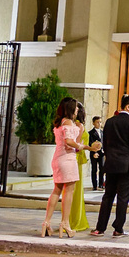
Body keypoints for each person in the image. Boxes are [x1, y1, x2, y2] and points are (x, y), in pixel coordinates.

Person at [91, 95, 129, 238]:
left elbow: (106, 143)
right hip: (127, 166)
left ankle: (100, 228)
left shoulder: (110, 122)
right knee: (123, 199)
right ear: (127, 107)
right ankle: (118, 229)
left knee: (108, 197)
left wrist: (109, 159)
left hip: (112, 165)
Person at [41, 97, 86, 238]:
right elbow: (69, 142)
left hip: (58, 158)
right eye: (76, 107)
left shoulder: (60, 122)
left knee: (57, 190)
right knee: (69, 191)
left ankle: (46, 222)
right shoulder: (69, 123)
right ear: (70, 108)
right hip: (67, 159)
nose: (77, 109)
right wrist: (81, 146)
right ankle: (65, 223)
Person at [69, 106, 89, 233]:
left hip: (76, 159)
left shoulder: (73, 125)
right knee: (75, 191)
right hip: (76, 159)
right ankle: (74, 221)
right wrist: (90, 148)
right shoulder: (79, 125)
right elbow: (77, 146)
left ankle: (71, 220)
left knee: (74, 191)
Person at [87, 116, 104, 191]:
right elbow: (90, 143)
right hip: (94, 153)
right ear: (93, 123)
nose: (99, 124)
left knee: (102, 168)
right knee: (94, 169)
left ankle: (101, 184)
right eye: (97, 122)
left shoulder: (102, 132)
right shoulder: (90, 133)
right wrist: (94, 152)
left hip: (101, 153)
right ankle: (94, 185)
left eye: (100, 122)